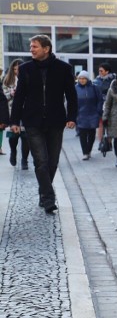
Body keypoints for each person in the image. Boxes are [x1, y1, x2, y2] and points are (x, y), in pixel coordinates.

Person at [10, 34, 78, 213]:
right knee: (41, 160)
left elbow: (71, 95)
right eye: (31, 46)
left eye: (35, 46)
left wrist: (72, 117)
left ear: (46, 49)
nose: (31, 49)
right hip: (33, 121)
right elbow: (19, 97)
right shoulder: (25, 69)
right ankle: (48, 198)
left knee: (53, 162)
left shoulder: (64, 68)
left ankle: (43, 192)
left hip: (56, 120)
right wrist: (14, 121)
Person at [3, 59, 31, 169]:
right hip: (12, 111)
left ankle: (25, 160)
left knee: (26, 137)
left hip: (26, 111)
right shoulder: (8, 80)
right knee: (13, 136)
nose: (16, 71)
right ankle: (13, 152)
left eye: (18, 69)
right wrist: (11, 93)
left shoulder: (29, 78)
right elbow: (4, 96)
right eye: (14, 69)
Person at [75, 70, 103, 160]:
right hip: (81, 114)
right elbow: (71, 101)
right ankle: (85, 152)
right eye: (80, 78)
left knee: (91, 133)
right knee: (82, 133)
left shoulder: (94, 87)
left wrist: (98, 111)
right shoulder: (75, 88)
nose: (82, 80)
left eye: (84, 78)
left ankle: (89, 150)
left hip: (93, 113)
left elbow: (100, 100)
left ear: (87, 79)